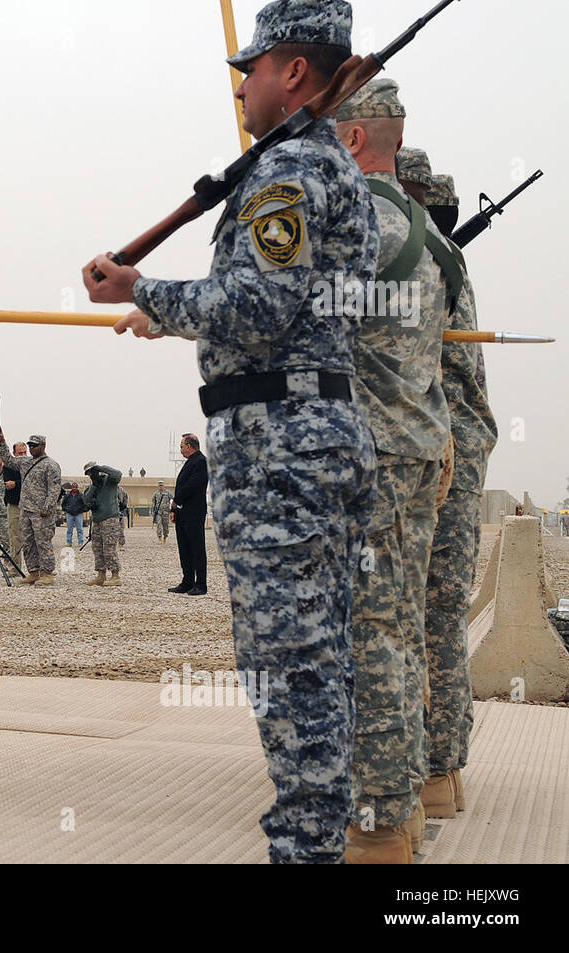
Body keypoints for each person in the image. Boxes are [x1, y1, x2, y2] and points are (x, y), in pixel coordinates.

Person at [86, 0, 377, 862]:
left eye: (251, 68)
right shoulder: (322, 168)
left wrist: (142, 291)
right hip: (316, 430)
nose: (242, 84)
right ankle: (320, 835)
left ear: (293, 71)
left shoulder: (288, 174)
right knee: (321, 656)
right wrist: (167, 310)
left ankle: (307, 846)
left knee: (289, 663)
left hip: (280, 444)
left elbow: (255, 306)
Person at [336, 80, 453, 863]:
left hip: (373, 457)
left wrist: (155, 303)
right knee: (403, 629)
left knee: (369, 638)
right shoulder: (428, 235)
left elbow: (271, 308)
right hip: (420, 450)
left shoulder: (352, 225)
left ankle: (379, 829)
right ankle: (411, 798)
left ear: (349, 142)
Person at [409, 161, 498, 827]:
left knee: (401, 618)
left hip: (430, 460)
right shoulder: (453, 267)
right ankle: (442, 772)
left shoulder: (422, 268)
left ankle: (413, 775)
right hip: (461, 460)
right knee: (441, 619)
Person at [0, 431, 61, 585]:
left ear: (43, 446)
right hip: (25, 510)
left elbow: (54, 489)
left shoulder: (51, 465)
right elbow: (8, 460)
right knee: (28, 542)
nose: (32, 448)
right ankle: (33, 572)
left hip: (41, 512)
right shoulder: (26, 462)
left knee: (43, 542)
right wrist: (2, 441)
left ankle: (47, 573)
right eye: (30, 445)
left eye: (34, 445)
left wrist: (47, 507)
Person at [166, 436, 209, 595]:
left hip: (194, 512)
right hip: (183, 513)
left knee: (197, 549)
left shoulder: (201, 462)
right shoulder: (189, 462)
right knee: (184, 548)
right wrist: (174, 510)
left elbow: (193, 485)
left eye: (182, 446)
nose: (181, 449)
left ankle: (201, 584)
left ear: (190, 446)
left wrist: (176, 500)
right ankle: (187, 581)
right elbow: (181, 487)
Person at [83, 461, 124, 586]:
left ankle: (115, 575)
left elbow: (118, 474)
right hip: (97, 520)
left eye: (92, 472)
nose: (91, 475)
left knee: (109, 548)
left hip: (110, 519)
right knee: (97, 548)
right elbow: (85, 499)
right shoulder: (92, 486)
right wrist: (94, 485)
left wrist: (101, 468)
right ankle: (101, 575)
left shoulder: (110, 481)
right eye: (89, 473)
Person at [2, 449, 23, 566]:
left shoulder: (33, 465)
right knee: (14, 536)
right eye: (20, 453)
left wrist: (17, 483)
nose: (23, 455)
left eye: (24, 452)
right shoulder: (9, 467)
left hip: (31, 505)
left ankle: (40, 569)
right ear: (14, 454)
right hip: (14, 504)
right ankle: (15, 566)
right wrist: (18, 483)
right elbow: (9, 484)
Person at [62, 482, 87, 546]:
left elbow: (84, 504)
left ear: (77, 487)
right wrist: (66, 509)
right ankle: (69, 542)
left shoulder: (81, 495)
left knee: (80, 529)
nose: (74, 488)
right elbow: (63, 504)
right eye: (73, 487)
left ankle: (80, 542)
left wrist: (82, 510)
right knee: (69, 529)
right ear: (71, 487)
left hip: (78, 514)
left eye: (75, 487)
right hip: (69, 514)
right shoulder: (67, 496)